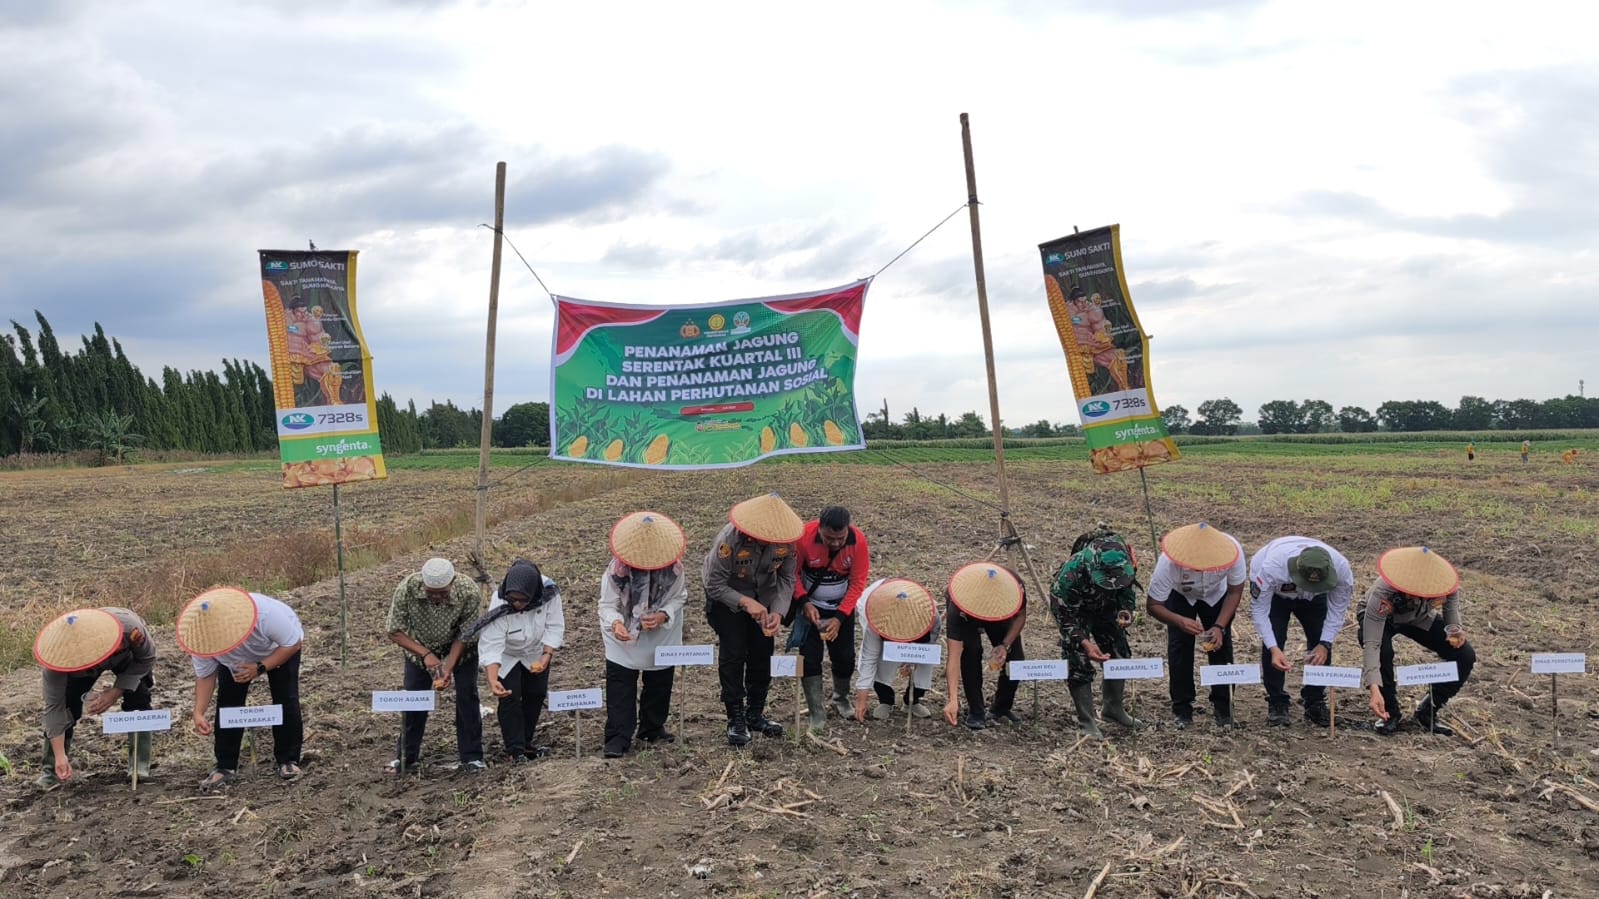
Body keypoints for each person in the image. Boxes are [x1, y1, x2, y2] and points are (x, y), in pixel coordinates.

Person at [177, 587, 305, 789]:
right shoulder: (201, 639)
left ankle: (288, 760)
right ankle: (225, 766)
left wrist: (261, 667)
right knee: (228, 703)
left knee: (285, 698)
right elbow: (205, 676)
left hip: (277, 649)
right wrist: (199, 711)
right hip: (234, 664)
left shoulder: (267, 614)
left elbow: (293, 644)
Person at [704, 492, 803, 745]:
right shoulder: (729, 540)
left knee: (762, 655)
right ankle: (735, 717)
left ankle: (755, 714)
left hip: (767, 600)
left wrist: (778, 613)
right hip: (728, 602)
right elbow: (713, 584)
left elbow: (787, 578)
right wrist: (746, 603)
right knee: (734, 654)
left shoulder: (788, 541)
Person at [34, 607, 158, 788]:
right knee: (69, 706)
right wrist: (60, 756)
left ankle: (139, 766)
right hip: (78, 673)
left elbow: (147, 658)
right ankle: (52, 771)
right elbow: (54, 708)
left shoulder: (129, 630)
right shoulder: (55, 660)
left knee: (138, 698)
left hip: (126, 659)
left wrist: (116, 691)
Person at [598, 511, 689, 758]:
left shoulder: (675, 570)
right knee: (621, 683)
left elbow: (680, 597)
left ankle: (652, 727)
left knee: (660, 679)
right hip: (624, 634)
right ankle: (618, 736)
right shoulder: (616, 571)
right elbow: (607, 605)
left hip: (661, 633)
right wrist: (616, 623)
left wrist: (663, 615)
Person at [1360, 546, 1476, 736]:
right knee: (1383, 653)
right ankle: (1389, 713)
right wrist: (1373, 687)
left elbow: (1451, 613)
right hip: (1384, 618)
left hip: (1418, 618)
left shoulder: (1446, 583)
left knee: (1465, 655)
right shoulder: (1383, 591)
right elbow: (1372, 644)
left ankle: (1429, 710)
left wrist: (1455, 632)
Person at [385, 557, 484, 775]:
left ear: (453, 582)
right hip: (419, 650)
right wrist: (426, 655)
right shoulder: (407, 589)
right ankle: (406, 757)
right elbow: (394, 630)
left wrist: (448, 666)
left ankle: (472, 757)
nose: (436, 596)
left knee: (467, 696)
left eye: (442, 592)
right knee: (414, 699)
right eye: (431, 592)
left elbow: (466, 633)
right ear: (423, 583)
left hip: (461, 651)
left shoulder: (468, 591)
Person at [1144, 523, 1246, 729]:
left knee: (1219, 645)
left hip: (1217, 597)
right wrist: (1179, 620)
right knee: (1180, 646)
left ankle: (1224, 708)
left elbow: (1235, 591)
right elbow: (1153, 605)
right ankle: (1182, 709)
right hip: (1181, 596)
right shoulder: (1168, 563)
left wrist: (1219, 626)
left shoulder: (1233, 552)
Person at [1248, 536, 1355, 727]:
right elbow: (1259, 611)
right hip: (1277, 595)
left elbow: (1337, 610)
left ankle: (1314, 701)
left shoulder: (1342, 570)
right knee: (1275, 639)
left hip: (1316, 601)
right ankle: (1277, 702)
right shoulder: (1271, 568)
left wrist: (1325, 643)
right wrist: (1273, 648)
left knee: (1319, 640)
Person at [1052, 525, 1145, 737]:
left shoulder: (1123, 562)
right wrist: (1085, 643)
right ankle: (1086, 720)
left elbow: (1127, 588)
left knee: (1119, 653)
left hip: (1107, 608)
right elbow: (1066, 620)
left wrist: (1126, 611)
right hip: (1078, 611)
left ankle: (1113, 709)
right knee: (1078, 660)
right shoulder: (1068, 578)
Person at [470, 559, 563, 762]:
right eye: (513, 600)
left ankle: (527, 743)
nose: (517, 605)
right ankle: (515, 750)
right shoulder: (500, 599)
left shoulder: (549, 592)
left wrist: (547, 655)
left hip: (536, 651)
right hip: (508, 654)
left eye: (523, 600)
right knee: (510, 698)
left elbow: (554, 626)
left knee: (535, 695)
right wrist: (493, 679)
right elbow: (492, 642)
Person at [791, 505, 871, 728]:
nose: (835, 543)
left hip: (840, 610)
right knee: (810, 658)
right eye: (829, 538)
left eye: (840, 538)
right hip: (810, 608)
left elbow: (857, 583)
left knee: (845, 657)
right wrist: (804, 602)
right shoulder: (804, 538)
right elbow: (793, 574)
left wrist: (840, 617)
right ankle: (816, 712)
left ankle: (840, 698)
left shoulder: (858, 542)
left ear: (847, 530)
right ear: (819, 529)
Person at [942, 562, 1027, 730]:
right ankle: (976, 711)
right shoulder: (957, 605)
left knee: (1015, 658)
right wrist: (952, 699)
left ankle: (1001, 707)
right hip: (967, 615)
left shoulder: (1014, 586)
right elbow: (954, 656)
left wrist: (1005, 644)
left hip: (1001, 613)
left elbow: (1021, 615)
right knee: (971, 652)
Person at [851, 578, 940, 722]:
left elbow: (929, 643)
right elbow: (869, 658)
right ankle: (885, 700)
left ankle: (912, 700)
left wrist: (911, 659)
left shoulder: (930, 614)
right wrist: (862, 699)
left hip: (918, 626)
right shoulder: (875, 619)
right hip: (873, 607)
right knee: (882, 659)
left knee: (925, 660)